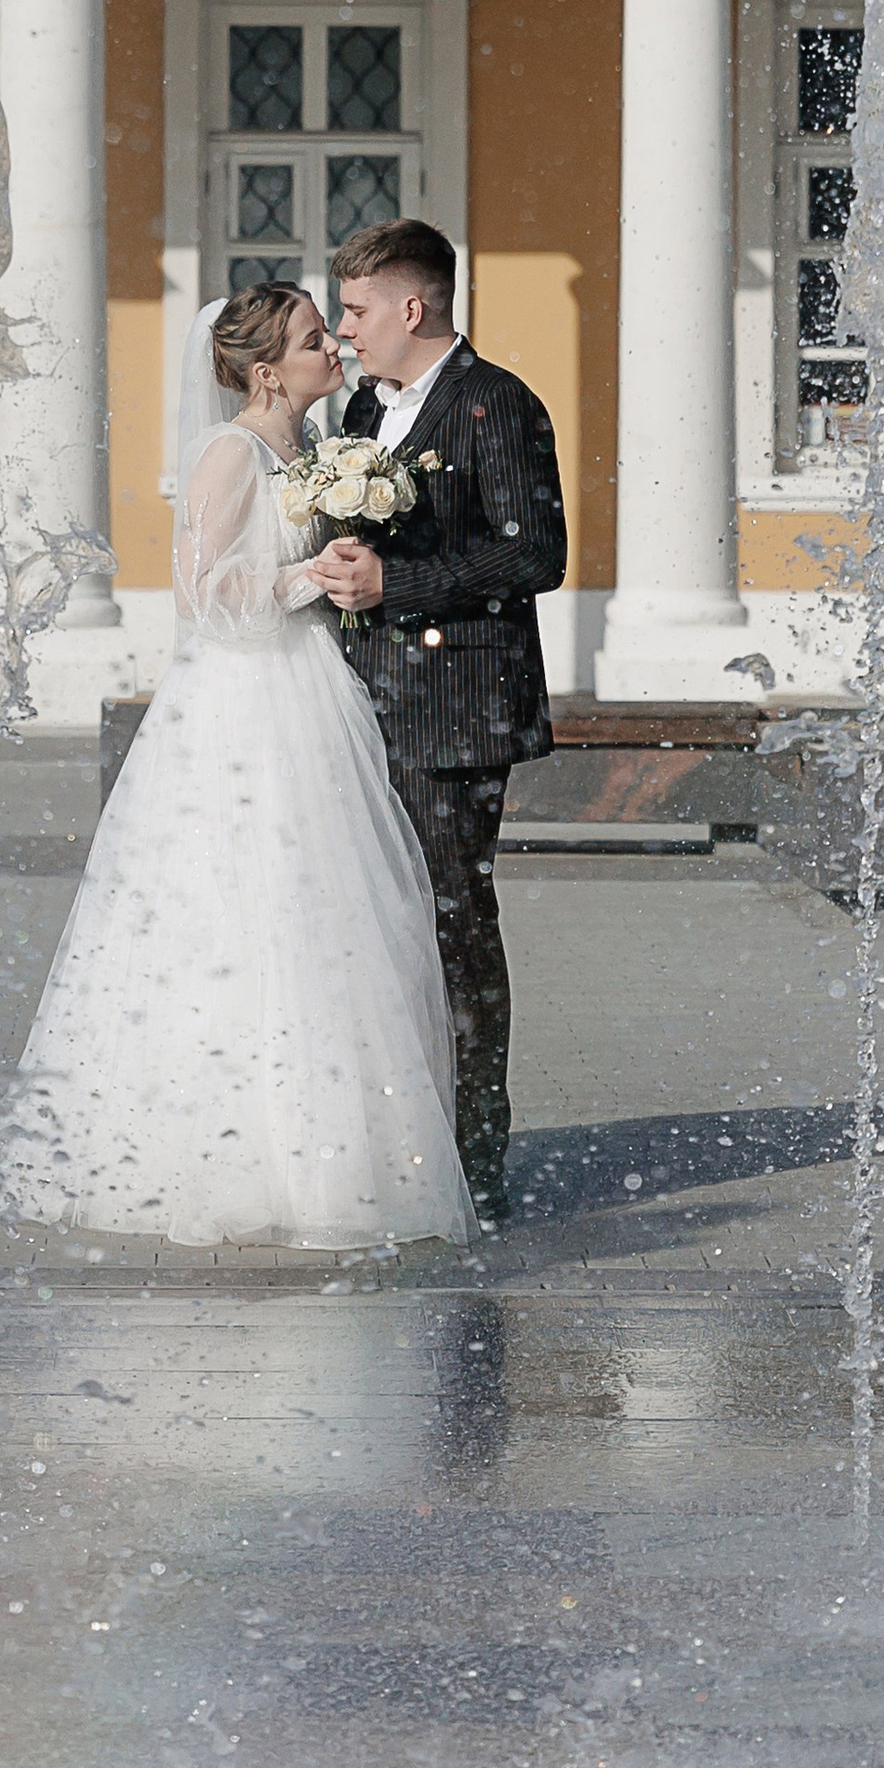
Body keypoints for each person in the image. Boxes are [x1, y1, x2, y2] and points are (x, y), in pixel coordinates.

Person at [0, 284, 472, 1253]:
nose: (330, 345)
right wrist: (308, 575)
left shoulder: (311, 449)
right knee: (234, 912)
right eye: (306, 339)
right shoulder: (229, 451)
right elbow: (203, 595)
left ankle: (330, 1149)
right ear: (263, 372)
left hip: (305, 692)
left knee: (319, 916)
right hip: (237, 709)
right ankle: (213, 1149)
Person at [320, 219, 568, 1228]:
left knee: (451, 920)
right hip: (363, 699)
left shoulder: (495, 403)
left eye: (356, 308)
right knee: (381, 924)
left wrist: (398, 581)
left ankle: (475, 1154)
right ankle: (399, 1134)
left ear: (410, 307)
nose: (343, 331)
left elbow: (534, 555)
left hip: (456, 705)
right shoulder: (360, 405)